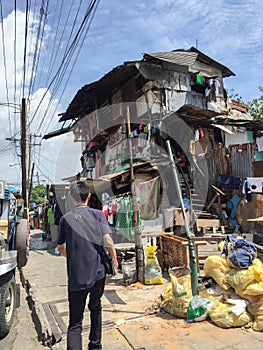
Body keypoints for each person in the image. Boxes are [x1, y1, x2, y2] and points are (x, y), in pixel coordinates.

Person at [57, 180, 118, 350]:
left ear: (71, 197)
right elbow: (108, 241)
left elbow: (60, 247)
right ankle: (95, 345)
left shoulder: (65, 219)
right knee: (96, 307)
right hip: (98, 273)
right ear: (89, 196)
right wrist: (114, 259)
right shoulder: (98, 214)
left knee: (75, 321)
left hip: (76, 276)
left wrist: (70, 257)